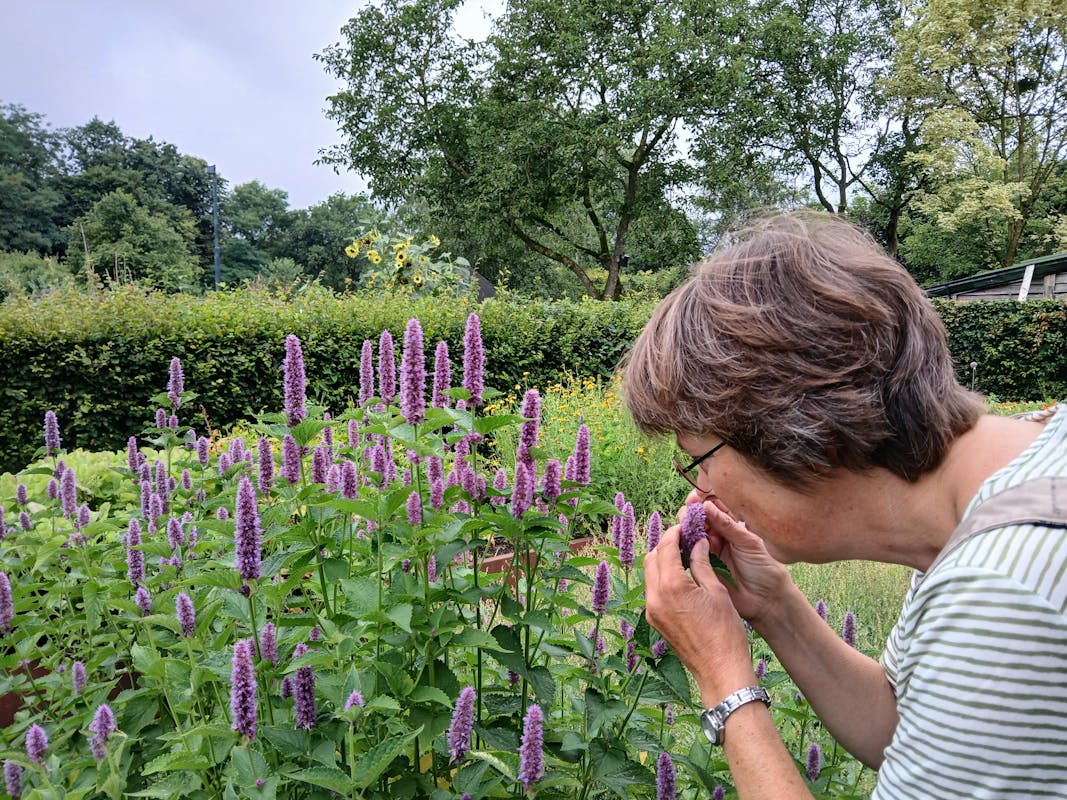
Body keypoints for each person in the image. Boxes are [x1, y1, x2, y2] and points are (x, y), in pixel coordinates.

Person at [622, 211, 1067, 799]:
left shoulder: (1002, 591)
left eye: (700, 458)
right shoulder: (1001, 487)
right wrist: (773, 606)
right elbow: (904, 728)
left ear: (797, 432)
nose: (700, 491)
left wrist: (725, 680)